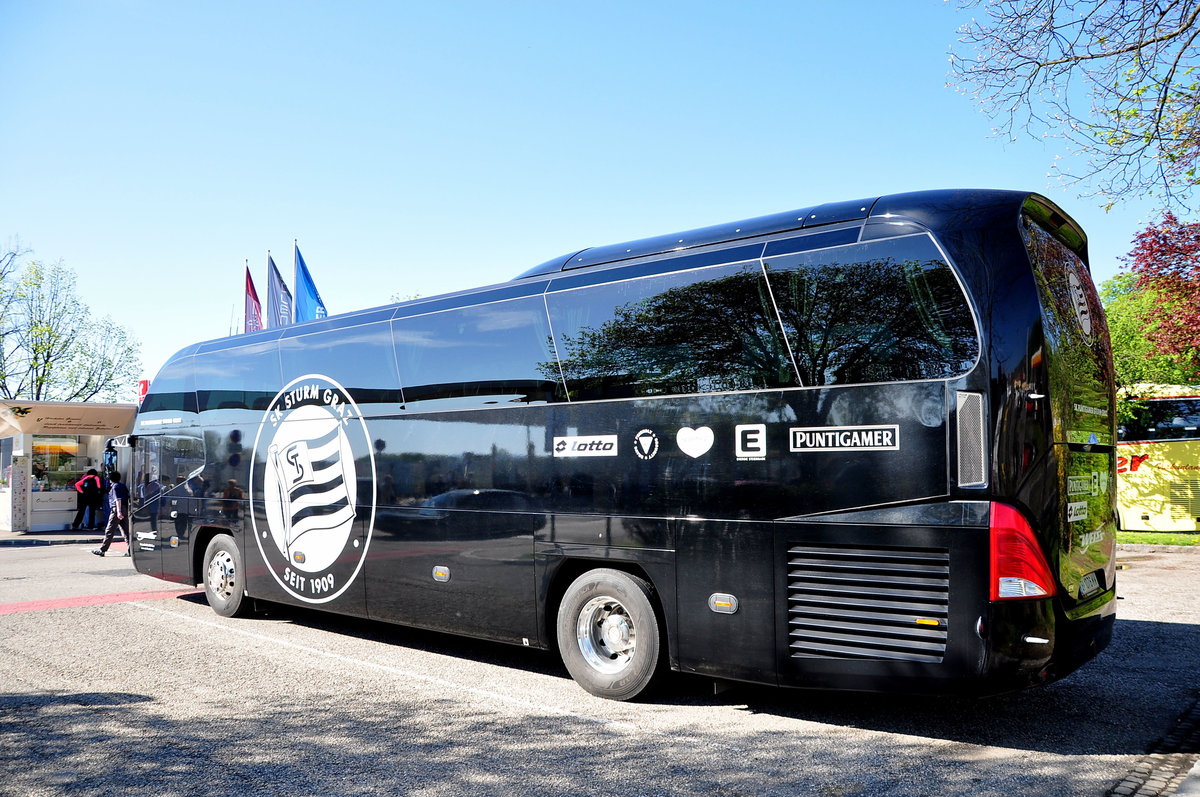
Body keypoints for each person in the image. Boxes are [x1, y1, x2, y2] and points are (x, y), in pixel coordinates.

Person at [92, 471, 131, 557]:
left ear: (111, 479)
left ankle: (102, 550)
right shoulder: (122, 485)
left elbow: (118, 499)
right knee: (126, 531)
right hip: (125, 508)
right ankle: (131, 550)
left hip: (117, 509)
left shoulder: (114, 486)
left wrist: (119, 511)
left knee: (109, 530)